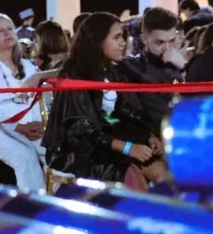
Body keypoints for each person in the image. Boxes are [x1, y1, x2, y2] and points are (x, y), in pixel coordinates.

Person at [44, 12, 155, 186]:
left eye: (123, 36)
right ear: (97, 41)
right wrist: (127, 147)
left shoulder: (115, 71)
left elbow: (129, 112)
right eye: (116, 37)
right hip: (82, 153)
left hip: (112, 144)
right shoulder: (75, 76)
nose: (123, 43)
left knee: (164, 171)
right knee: (134, 177)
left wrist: (149, 136)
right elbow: (79, 132)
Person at [0, 13, 52, 191]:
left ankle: (57, 201)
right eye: (0, 31)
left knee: (53, 151)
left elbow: (36, 102)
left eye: (10, 28)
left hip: (28, 127)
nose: (7, 33)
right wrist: (19, 127)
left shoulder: (28, 66)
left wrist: (40, 125)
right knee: (24, 156)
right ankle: (33, 205)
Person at [115, 6, 188, 140]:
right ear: (144, 39)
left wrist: (184, 67)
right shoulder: (132, 68)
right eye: (160, 42)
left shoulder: (184, 66)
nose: (167, 48)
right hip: (154, 142)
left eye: (172, 41)